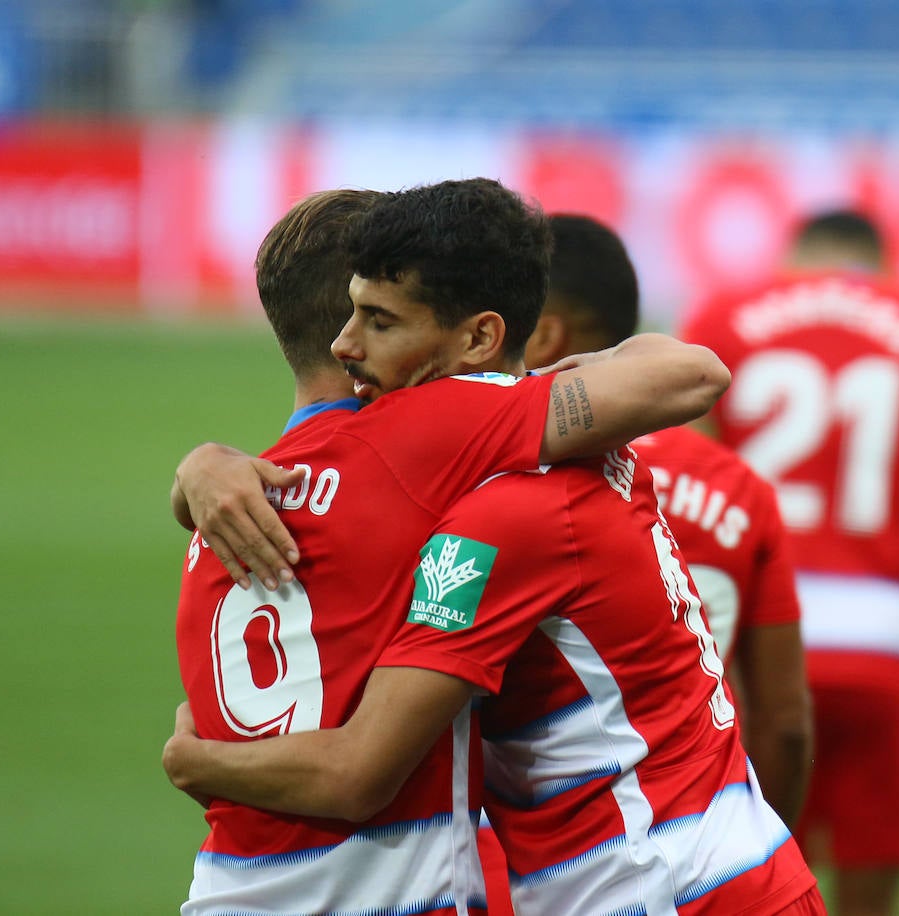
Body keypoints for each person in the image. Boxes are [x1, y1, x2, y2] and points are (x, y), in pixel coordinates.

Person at [164, 188, 826, 914]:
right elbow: (684, 367)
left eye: (379, 321)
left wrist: (201, 762)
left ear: (478, 337)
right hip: (712, 862)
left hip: (659, 884)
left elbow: (358, 773)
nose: (348, 344)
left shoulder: (492, 510)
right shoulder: (531, 454)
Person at [680, 209, 899, 916]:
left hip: (752, 643)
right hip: (880, 637)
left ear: (796, 255)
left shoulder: (725, 316)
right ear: (880, 261)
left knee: (741, 882)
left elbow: (680, 476)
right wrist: (896, 549)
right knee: (870, 884)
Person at [522, 213, 812, 829]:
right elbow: (785, 722)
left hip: (556, 837)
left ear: (545, 337)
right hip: (710, 824)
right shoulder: (737, 488)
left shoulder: (504, 474)